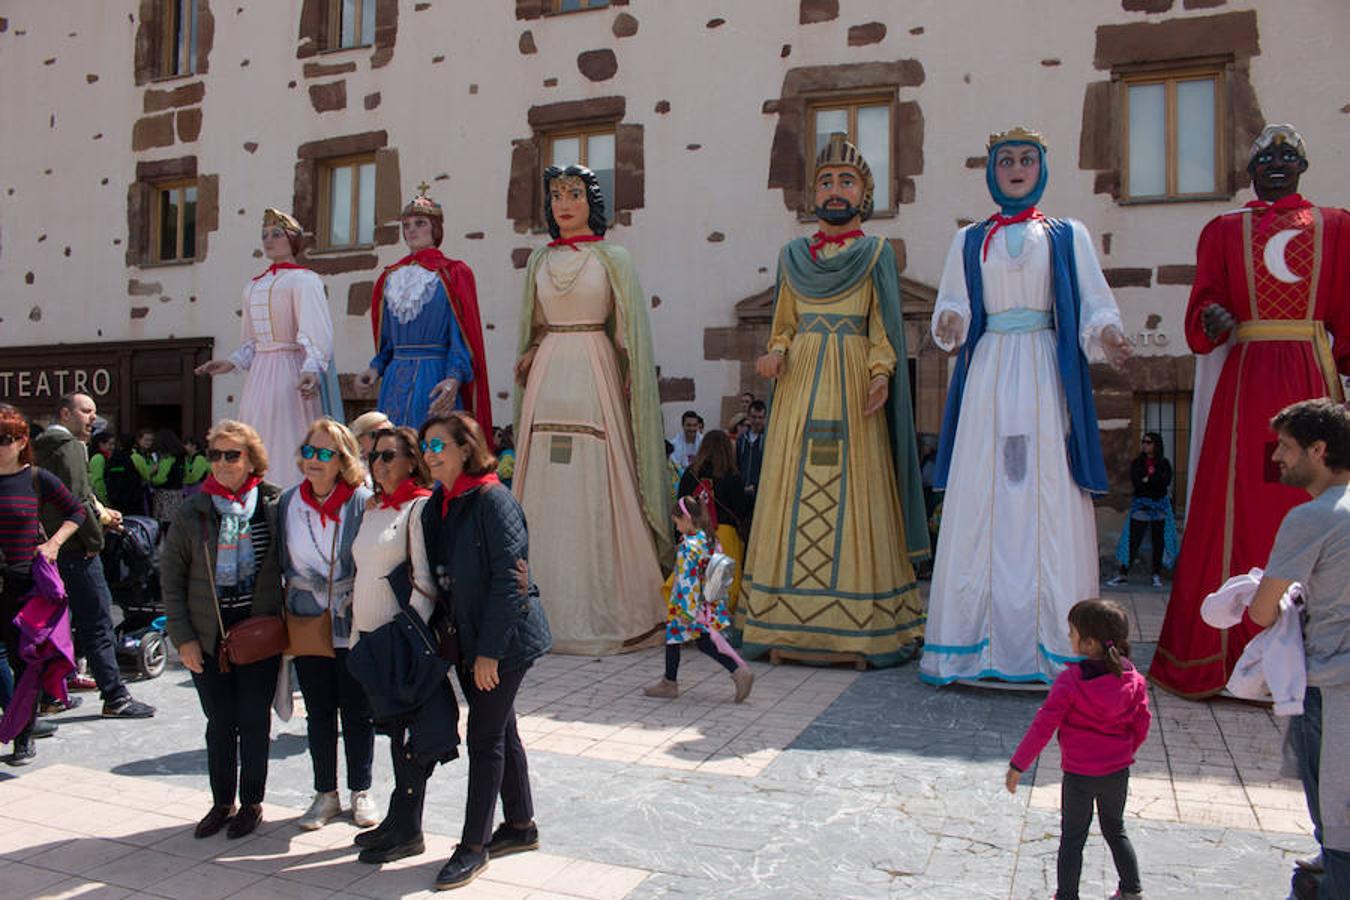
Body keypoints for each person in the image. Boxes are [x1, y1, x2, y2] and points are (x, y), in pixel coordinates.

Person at [922, 126, 1130, 686]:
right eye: (1006, 160)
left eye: (1027, 160)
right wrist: (949, 323)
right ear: (991, 170)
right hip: (988, 370)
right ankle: (970, 645)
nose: (1016, 168)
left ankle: (1052, 648)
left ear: (1042, 168)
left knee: (1047, 491)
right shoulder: (969, 240)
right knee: (983, 492)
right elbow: (954, 304)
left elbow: (1092, 301)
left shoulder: (1068, 234)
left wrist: (1106, 332)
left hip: (1043, 369)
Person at [1151, 125, 1350, 698]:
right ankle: (1221, 654)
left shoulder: (1336, 227)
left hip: (1313, 374)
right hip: (1246, 380)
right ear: (1250, 170)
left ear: (1303, 165)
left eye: (1290, 155)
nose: (1278, 164)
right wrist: (1213, 316)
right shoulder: (1222, 230)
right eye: (1267, 157)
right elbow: (1204, 305)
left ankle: (1317, 654)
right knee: (1233, 505)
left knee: (1316, 498)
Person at [741, 133, 929, 667]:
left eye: (847, 181)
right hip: (800, 382)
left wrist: (880, 375)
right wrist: (775, 352)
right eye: (826, 181)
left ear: (864, 192)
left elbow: (883, 329)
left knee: (857, 486)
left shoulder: (876, 254)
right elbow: (783, 322)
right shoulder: (790, 256)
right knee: (789, 482)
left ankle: (860, 624)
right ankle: (780, 619)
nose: (835, 190)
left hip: (850, 384)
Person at [512, 164, 670, 655]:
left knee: (600, 479)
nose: (564, 203)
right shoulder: (539, 260)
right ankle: (533, 607)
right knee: (542, 482)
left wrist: (628, 371)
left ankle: (607, 606)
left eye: (574, 194)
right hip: (550, 370)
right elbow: (535, 323)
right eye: (556, 194)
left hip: (594, 366)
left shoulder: (614, 258)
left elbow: (627, 331)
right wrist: (534, 348)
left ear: (591, 202)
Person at [419, 411, 552, 891]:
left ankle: (473, 847)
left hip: (505, 641)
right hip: (473, 638)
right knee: (502, 728)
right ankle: (520, 826)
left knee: (484, 736)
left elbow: (510, 584)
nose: (430, 453)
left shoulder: (493, 500)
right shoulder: (444, 501)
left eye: (439, 445)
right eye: (426, 445)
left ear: (465, 448)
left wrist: (489, 654)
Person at [1246, 399, 1350, 898]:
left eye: (1286, 447)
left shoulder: (1313, 518)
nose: (1277, 458)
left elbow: (1263, 610)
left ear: (1319, 448)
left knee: (1337, 821)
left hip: (1332, 685)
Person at [161, 419, 284, 840]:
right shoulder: (193, 510)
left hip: (258, 632)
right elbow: (171, 579)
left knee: (253, 721)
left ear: (251, 459)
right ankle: (221, 802)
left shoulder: (272, 504)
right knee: (219, 722)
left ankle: (251, 802)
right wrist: (183, 638)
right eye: (215, 454)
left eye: (232, 454)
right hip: (209, 636)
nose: (222, 463)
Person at [1006, 599, 1151, 900]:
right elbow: (1142, 724)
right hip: (1117, 772)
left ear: (1088, 643)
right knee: (1115, 829)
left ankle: (1067, 895)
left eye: (1072, 632)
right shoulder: (1133, 680)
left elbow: (1043, 725)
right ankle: (1131, 890)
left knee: (1073, 837)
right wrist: (1124, 752)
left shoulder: (1071, 681)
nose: (1069, 637)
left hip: (1079, 775)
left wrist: (1019, 765)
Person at [275, 418, 378, 831]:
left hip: (352, 616)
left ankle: (361, 790)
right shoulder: (287, 503)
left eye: (325, 454)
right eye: (310, 452)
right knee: (318, 711)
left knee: (357, 710)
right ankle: (325, 793)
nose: (314, 461)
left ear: (343, 460)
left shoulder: (362, 501)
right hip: (306, 618)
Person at [195, 209, 343, 488]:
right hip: (260, 374)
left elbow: (316, 332)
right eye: (265, 235)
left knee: (287, 430)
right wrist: (230, 363)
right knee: (255, 429)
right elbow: (251, 341)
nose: (269, 240)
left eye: (277, 234)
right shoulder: (253, 285)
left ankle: (291, 491)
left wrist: (311, 367)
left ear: (293, 240)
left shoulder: (304, 280)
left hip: (290, 368)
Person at [348, 424, 440, 864]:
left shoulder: (418, 509)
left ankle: (409, 829)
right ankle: (396, 820)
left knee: (410, 739)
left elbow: (424, 582)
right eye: (374, 456)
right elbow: (363, 574)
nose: (379, 464)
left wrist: (406, 642)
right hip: (367, 641)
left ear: (411, 461)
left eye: (388, 456)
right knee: (392, 734)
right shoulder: (373, 508)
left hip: (397, 643)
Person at [34, 394, 156, 718]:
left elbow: (77, 496)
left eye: (95, 412)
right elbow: (76, 501)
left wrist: (102, 514)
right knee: (98, 622)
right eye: (86, 411)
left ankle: (51, 695)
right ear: (65, 413)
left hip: (51, 547)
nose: (93, 418)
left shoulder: (40, 445)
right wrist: (95, 539)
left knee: (60, 623)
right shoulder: (70, 446)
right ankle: (115, 697)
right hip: (76, 549)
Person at [355, 184, 493, 433]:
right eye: (406, 225)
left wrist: (454, 377)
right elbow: (388, 343)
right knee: (392, 448)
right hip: (395, 378)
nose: (411, 230)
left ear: (436, 228)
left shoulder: (452, 274)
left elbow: (461, 338)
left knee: (430, 447)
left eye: (420, 223)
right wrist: (374, 368)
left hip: (434, 376)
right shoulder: (390, 277)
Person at [0, 406, 85, 764]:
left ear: (21, 442)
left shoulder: (36, 479)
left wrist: (53, 544)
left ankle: (23, 737)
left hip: (23, 586)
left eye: (3, 439)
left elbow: (77, 511)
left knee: (25, 663)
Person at [644, 492, 752, 703]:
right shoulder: (709, 540)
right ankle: (736, 672)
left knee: (676, 637)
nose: (676, 528)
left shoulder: (687, 547)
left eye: (677, 523)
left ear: (686, 519)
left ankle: (671, 683)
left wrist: (686, 610)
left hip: (688, 605)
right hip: (707, 603)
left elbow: (686, 580)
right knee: (700, 642)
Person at [676, 430, 750, 616]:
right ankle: (714, 628)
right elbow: (740, 508)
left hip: (695, 533)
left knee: (693, 581)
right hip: (724, 534)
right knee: (721, 585)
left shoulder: (690, 473)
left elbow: (681, 504)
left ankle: (690, 623)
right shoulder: (731, 475)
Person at [1107, 432, 1178, 590]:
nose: (1145, 445)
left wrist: (1148, 480)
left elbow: (1164, 483)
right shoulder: (1138, 463)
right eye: (1143, 442)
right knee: (1133, 541)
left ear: (1156, 445)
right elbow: (1137, 482)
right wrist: (1150, 481)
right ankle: (1123, 574)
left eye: (1148, 442)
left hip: (1159, 507)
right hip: (1141, 507)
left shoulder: (1164, 463)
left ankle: (1156, 574)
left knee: (1158, 542)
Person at [150, 428, 189, 526]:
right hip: (178, 493)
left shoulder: (167, 458)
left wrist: (150, 479)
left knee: (164, 523)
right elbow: (186, 473)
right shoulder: (182, 457)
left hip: (165, 494)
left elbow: (160, 478)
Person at [735, 400, 767, 502]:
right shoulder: (741, 440)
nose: (757, 421)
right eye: (754, 417)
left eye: (760, 417)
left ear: (765, 419)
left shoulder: (768, 440)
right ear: (748, 417)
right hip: (741, 491)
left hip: (760, 493)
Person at [88, 431, 115, 507]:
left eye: (114, 444)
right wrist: (105, 501)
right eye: (110, 444)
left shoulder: (106, 458)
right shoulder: (98, 458)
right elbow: (98, 481)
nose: (112, 447)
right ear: (101, 444)